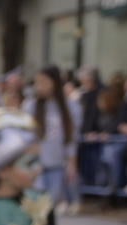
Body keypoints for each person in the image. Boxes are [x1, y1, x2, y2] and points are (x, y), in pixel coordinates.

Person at [28, 67, 80, 213]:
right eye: (37, 83)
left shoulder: (70, 108)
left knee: (51, 205)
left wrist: (72, 163)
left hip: (57, 163)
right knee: (37, 206)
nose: (39, 86)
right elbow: (26, 137)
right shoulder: (31, 106)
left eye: (44, 82)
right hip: (36, 165)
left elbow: (72, 139)